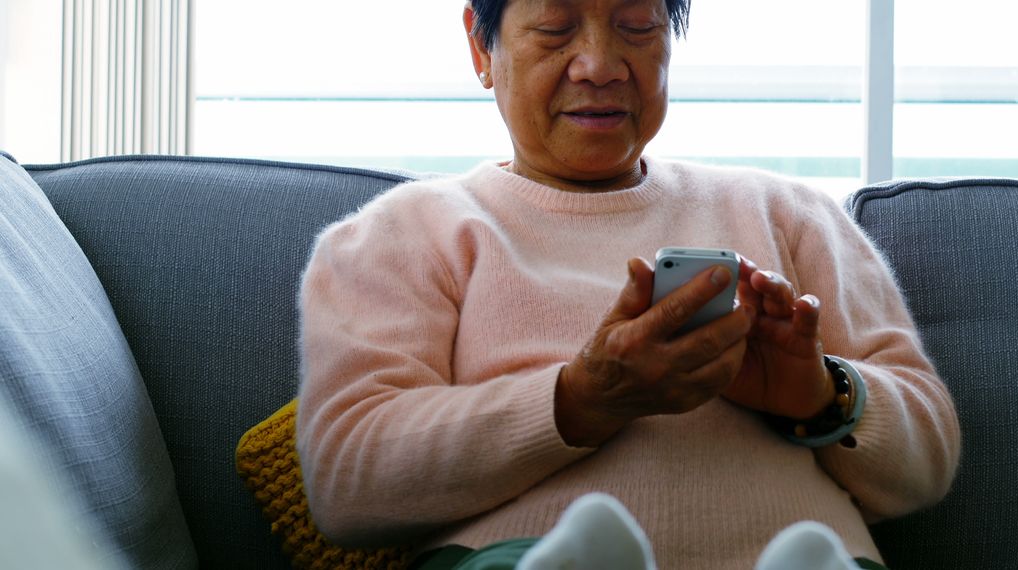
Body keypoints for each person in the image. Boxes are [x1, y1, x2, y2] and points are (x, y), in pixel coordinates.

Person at [295, 0, 962, 568]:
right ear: (481, 45)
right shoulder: (403, 233)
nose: (600, 65)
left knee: (810, 555)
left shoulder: (786, 211)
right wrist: (577, 402)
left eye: (637, 27)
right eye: (556, 29)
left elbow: (928, 459)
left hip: (793, 550)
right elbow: (346, 479)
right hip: (513, 554)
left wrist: (820, 395)